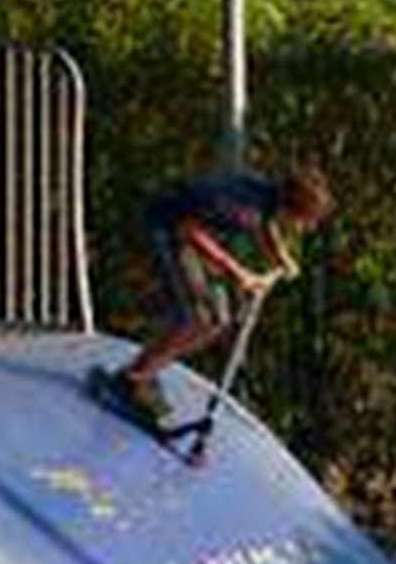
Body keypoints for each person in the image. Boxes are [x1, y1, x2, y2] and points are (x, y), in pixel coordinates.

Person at [105, 161, 332, 425]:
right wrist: (239, 273)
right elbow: (188, 229)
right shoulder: (244, 208)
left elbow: (265, 227)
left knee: (218, 321)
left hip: (183, 232)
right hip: (165, 227)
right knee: (198, 318)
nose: (305, 229)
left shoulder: (267, 198)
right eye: (306, 222)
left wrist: (281, 258)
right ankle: (133, 379)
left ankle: (143, 370)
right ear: (294, 210)